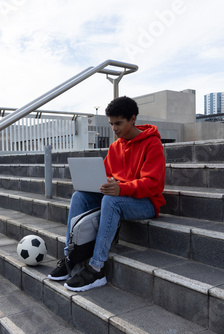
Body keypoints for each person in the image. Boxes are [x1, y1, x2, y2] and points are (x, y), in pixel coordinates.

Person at [47, 96, 166, 292]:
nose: (114, 129)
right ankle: (71, 259)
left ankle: (96, 268)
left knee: (111, 201)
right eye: (111, 124)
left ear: (132, 119)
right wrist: (105, 183)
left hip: (146, 202)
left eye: (118, 123)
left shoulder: (152, 144)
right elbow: (106, 173)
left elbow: (152, 184)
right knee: (79, 196)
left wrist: (121, 188)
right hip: (120, 195)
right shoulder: (115, 147)